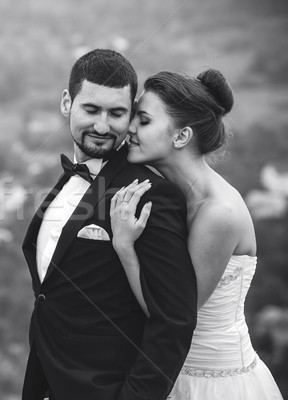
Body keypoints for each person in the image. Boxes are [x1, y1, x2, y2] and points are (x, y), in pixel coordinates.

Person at [21, 49, 198, 400]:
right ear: (67, 103)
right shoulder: (64, 182)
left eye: (117, 113)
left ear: (130, 113)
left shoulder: (150, 194)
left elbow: (174, 322)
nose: (103, 126)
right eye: (91, 109)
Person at [110, 69, 284, 399]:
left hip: (216, 383)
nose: (129, 128)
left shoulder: (219, 214)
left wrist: (124, 247)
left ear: (181, 136)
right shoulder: (175, 197)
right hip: (171, 375)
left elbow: (172, 315)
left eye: (143, 120)